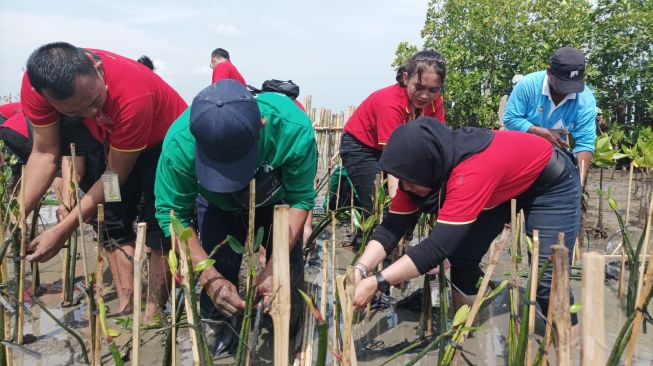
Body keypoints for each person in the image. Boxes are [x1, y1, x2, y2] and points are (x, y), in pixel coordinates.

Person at [352, 117, 581, 327]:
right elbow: (392, 226)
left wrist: (378, 283)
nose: (405, 186)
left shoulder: (468, 173)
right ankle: (464, 332)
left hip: (550, 183)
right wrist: (362, 266)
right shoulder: (417, 175)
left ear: (431, 168)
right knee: (462, 259)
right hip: (501, 184)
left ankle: (568, 347)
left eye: (410, 181)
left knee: (547, 281)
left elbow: (438, 247)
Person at [21, 42, 187, 318]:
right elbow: (44, 152)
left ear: (98, 69)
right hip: (111, 145)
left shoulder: (132, 95)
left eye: (95, 102)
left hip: (162, 143)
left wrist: (62, 229)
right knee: (111, 216)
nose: (90, 114)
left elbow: (115, 176)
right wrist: (14, 221)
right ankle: (127, 304)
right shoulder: (39, 84)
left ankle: (153, 311)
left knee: (158, 223)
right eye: (74, 112)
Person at [154, 80, 316, 351]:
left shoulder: (291, 128)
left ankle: (286, 338)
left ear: (261, 125)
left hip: (276, 204)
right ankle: (220, 343)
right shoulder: (179, 144)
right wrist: (209, 278)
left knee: (286, 284)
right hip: (216, 204)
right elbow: (173, 216)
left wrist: (275, 265)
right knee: (217, 290)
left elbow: (300, 199)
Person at [339, 50, 447, 243]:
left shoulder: (435, 101)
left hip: (401, 149)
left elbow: (438, 141)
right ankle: (366, 243)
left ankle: (401, 241)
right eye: (419, 87)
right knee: (375, 201)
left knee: (416, 195)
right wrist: (397, 202)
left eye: (433, 90)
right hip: (361, 146)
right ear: (406, 78)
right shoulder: (390, 104)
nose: (425, 96)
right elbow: (394, 161)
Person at [504, 46, 597, 182]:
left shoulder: (585, 99)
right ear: (549, 71)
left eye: (573, 86)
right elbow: (510, 119)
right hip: (520, 155)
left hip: (554, 161)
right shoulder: (528, 85)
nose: (567, 91)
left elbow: (585, 143)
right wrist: (540, 132)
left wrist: (579, 184)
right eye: (563, 85)